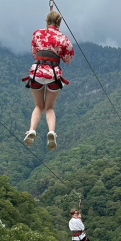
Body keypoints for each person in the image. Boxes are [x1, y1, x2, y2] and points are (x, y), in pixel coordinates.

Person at [22, 10, 74, 151]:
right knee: (49, 108)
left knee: (39, 106)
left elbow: (34, 52)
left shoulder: (37, 34)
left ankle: (32, 129)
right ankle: (51, 132)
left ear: (46, 20)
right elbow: (68, 59)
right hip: (53, 74)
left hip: (37, 72)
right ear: (59, 22)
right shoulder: (63, 38)